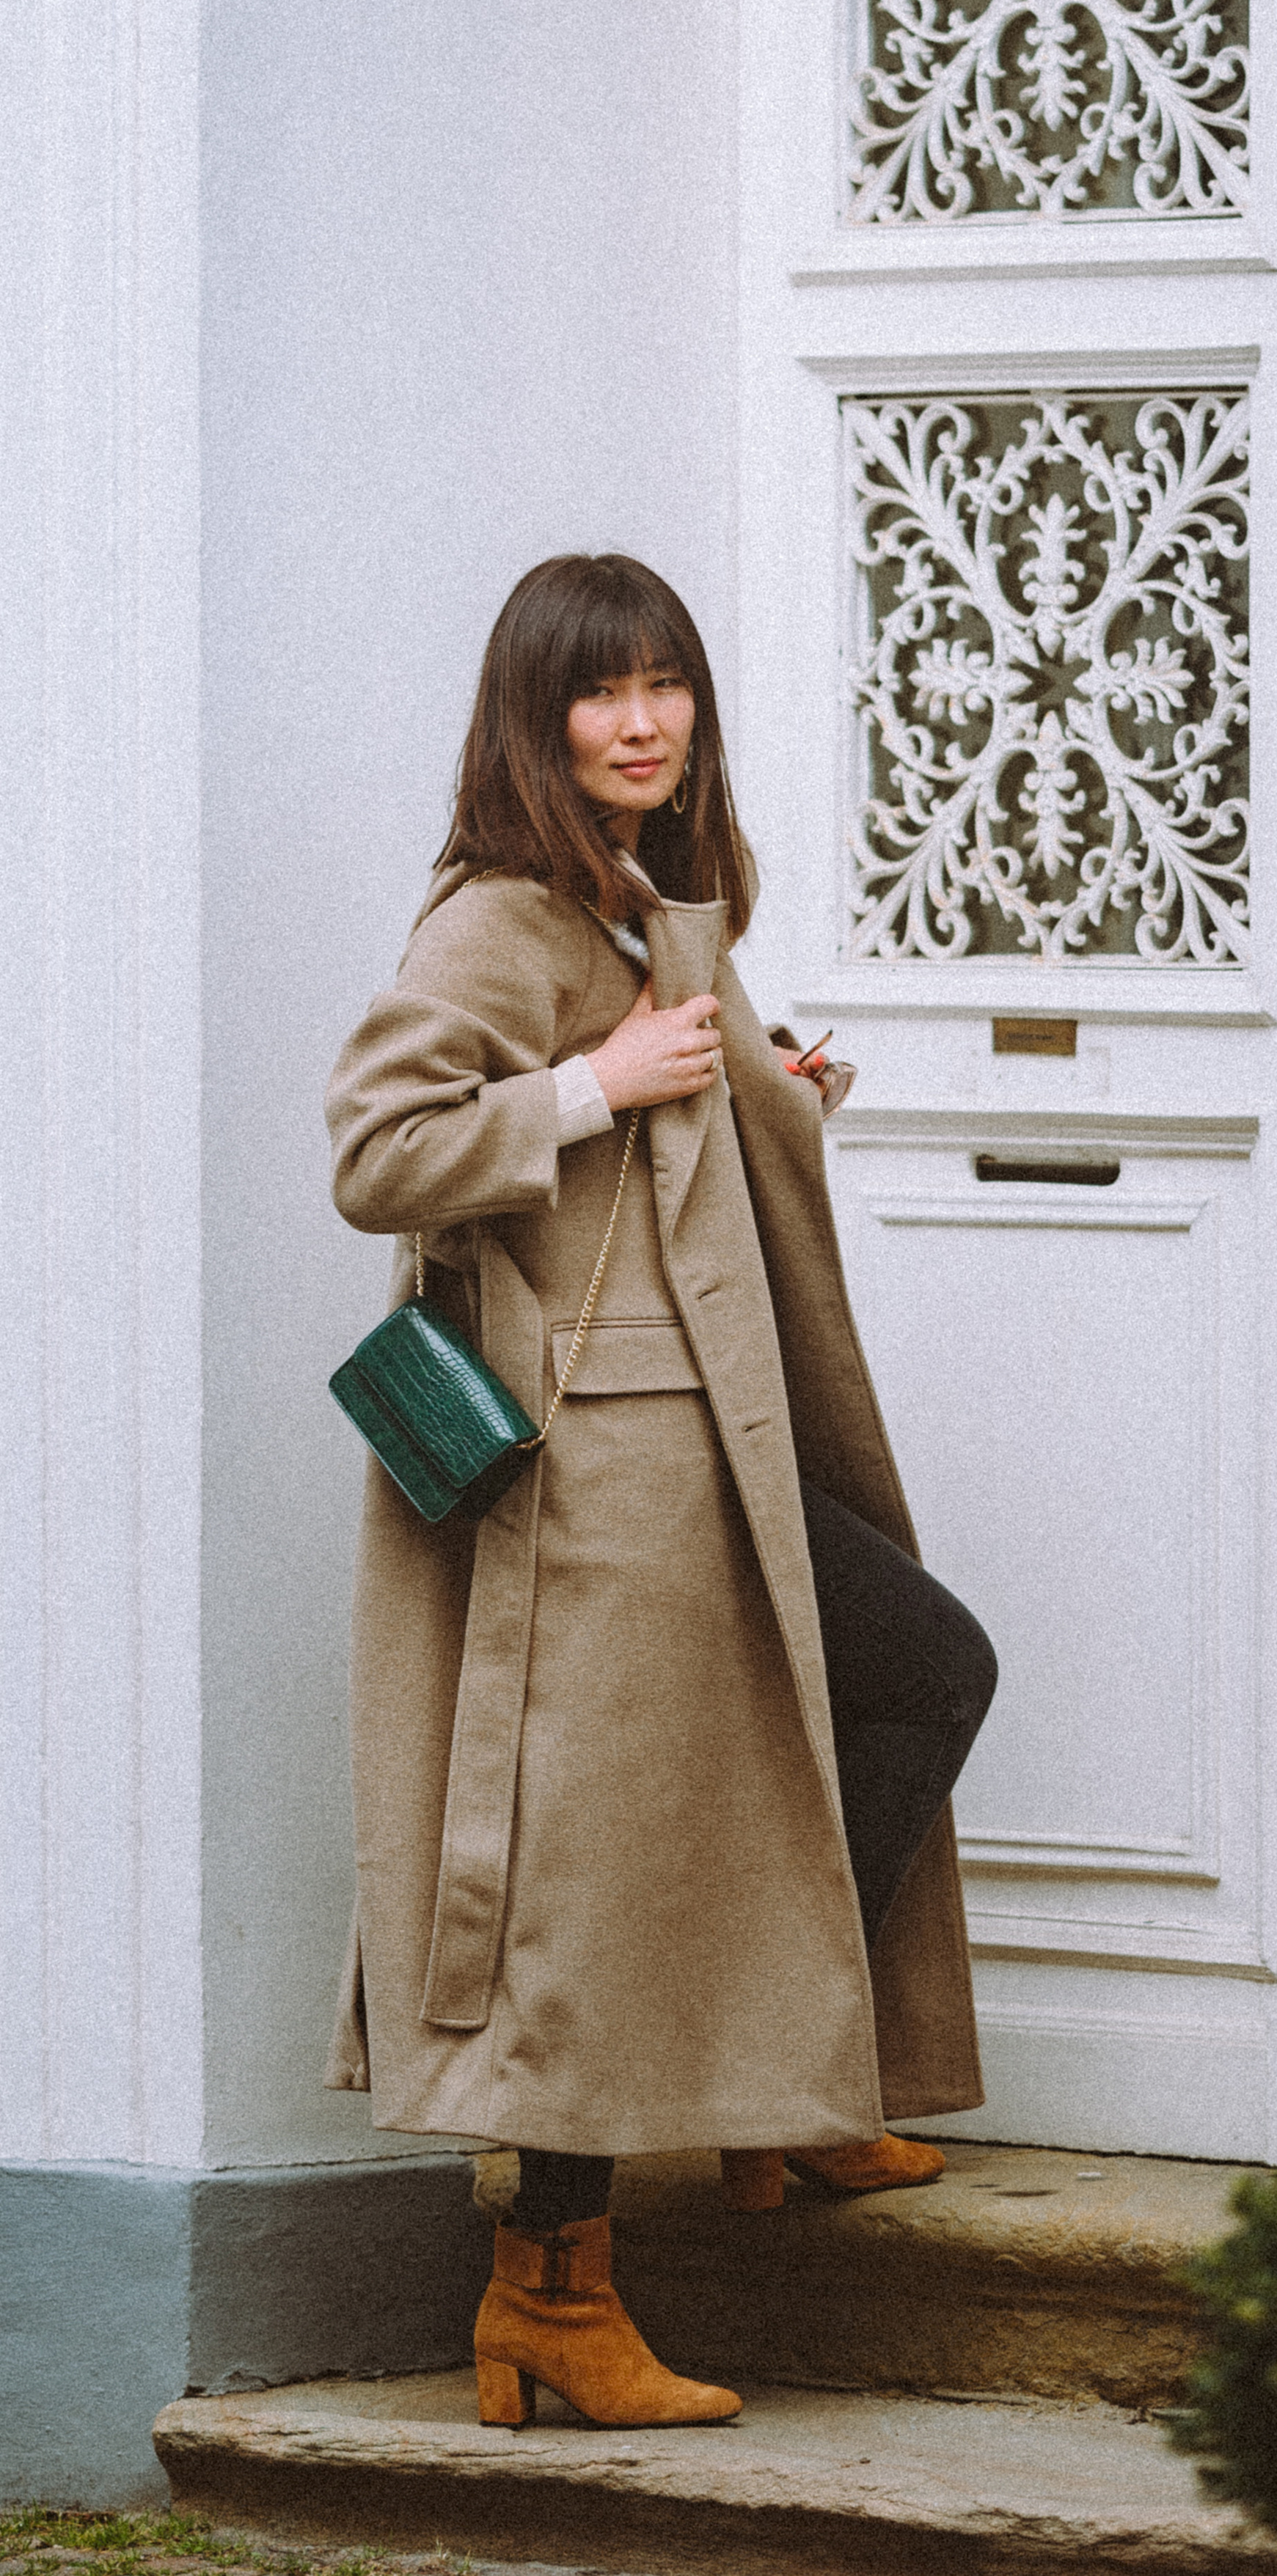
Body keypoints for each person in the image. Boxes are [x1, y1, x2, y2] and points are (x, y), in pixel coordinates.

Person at [323, 552, 998, 2431]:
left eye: (664, 685)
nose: (639, 722)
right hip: (593, 1480)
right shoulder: (499, 917)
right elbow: (377, 1151)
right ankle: (548, 2292)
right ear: (533, 726)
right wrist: (593, 1086)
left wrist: (761, 1087)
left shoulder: (640, 898)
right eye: (596, 696)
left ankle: (784, 2074)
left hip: (708, 1436)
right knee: (582, 1871)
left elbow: (666, 1107)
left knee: (915, 1672)